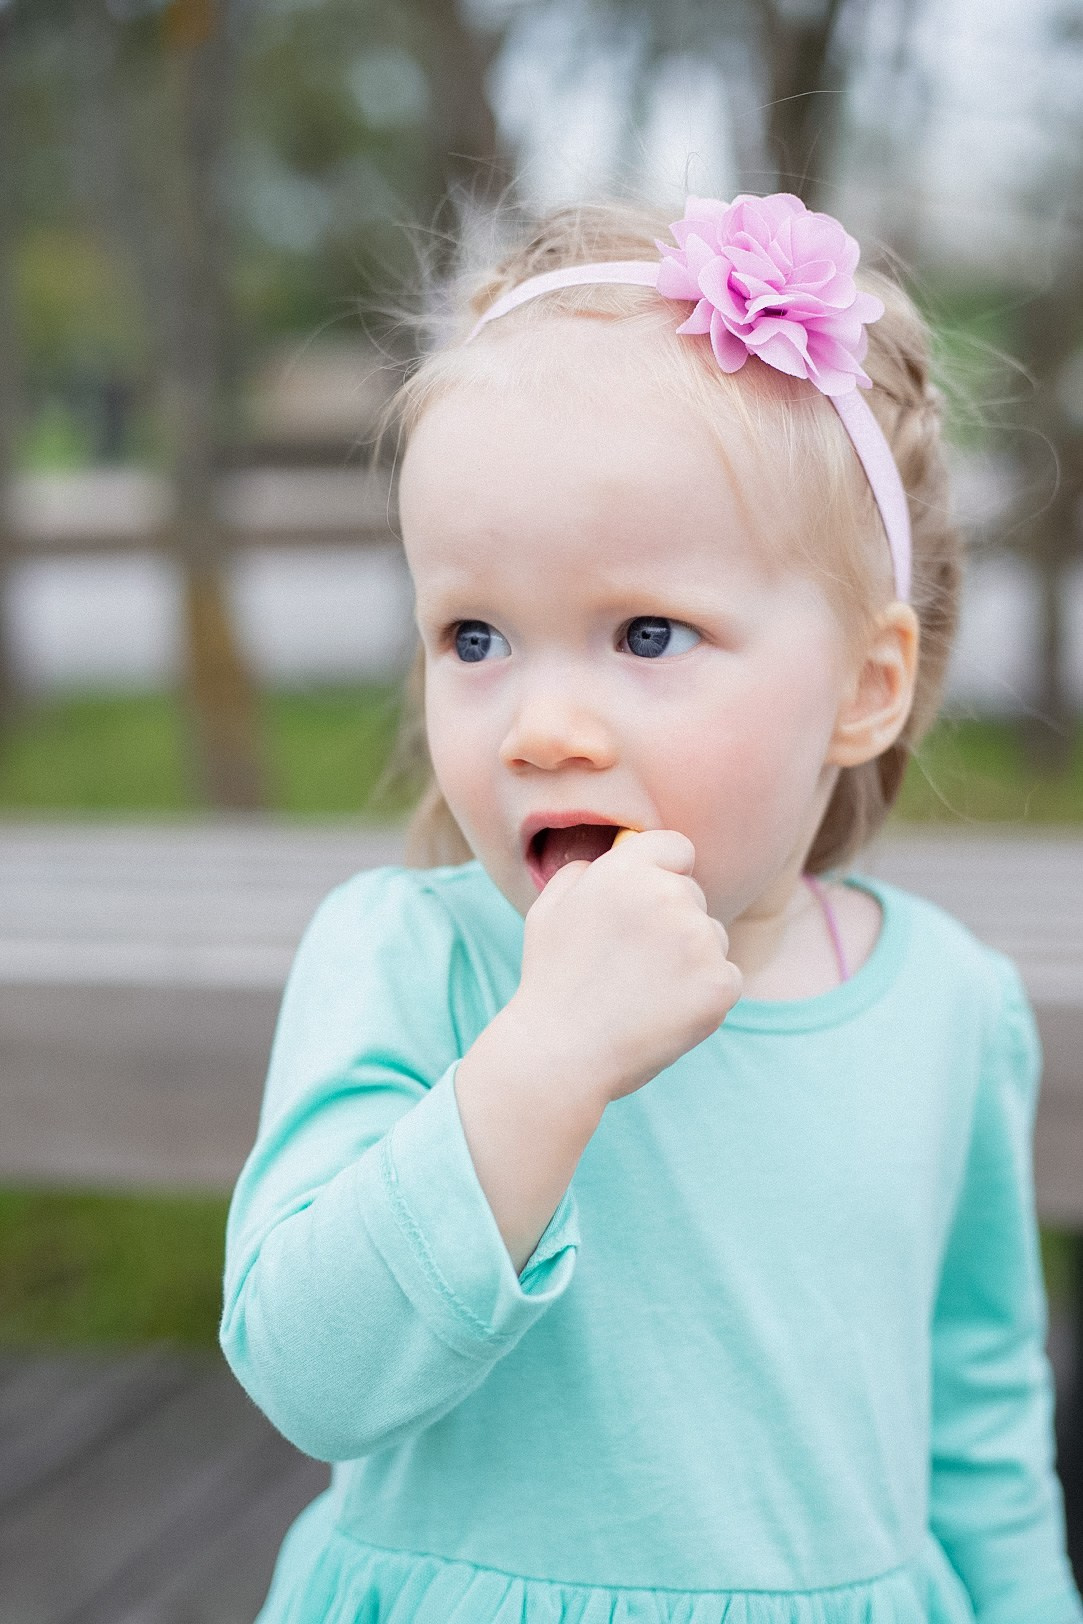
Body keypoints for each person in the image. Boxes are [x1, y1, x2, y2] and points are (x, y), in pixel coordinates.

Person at [220, 191, 1083, 1622]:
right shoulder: (413, 960)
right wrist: (545, 1058)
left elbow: (978, 1422)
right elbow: (311, 1375)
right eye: (473, 635)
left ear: (865, 688)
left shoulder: (949, 1005)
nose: (543, 725)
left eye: (648, 633)